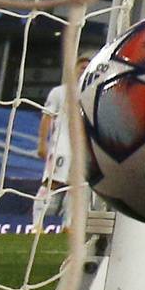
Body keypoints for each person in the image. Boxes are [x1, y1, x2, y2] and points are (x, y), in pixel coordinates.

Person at [32, 53, 92, 230]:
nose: (83, 70)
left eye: (87, 67)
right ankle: (37, 224)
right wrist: (42, 142)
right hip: (61, 145)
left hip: (83, 148)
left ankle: (68, 225)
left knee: (77, 186)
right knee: (52, 182)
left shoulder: (93, 92)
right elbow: (46, 117)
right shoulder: (59, 92)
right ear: (74, 69)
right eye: (81, 66)